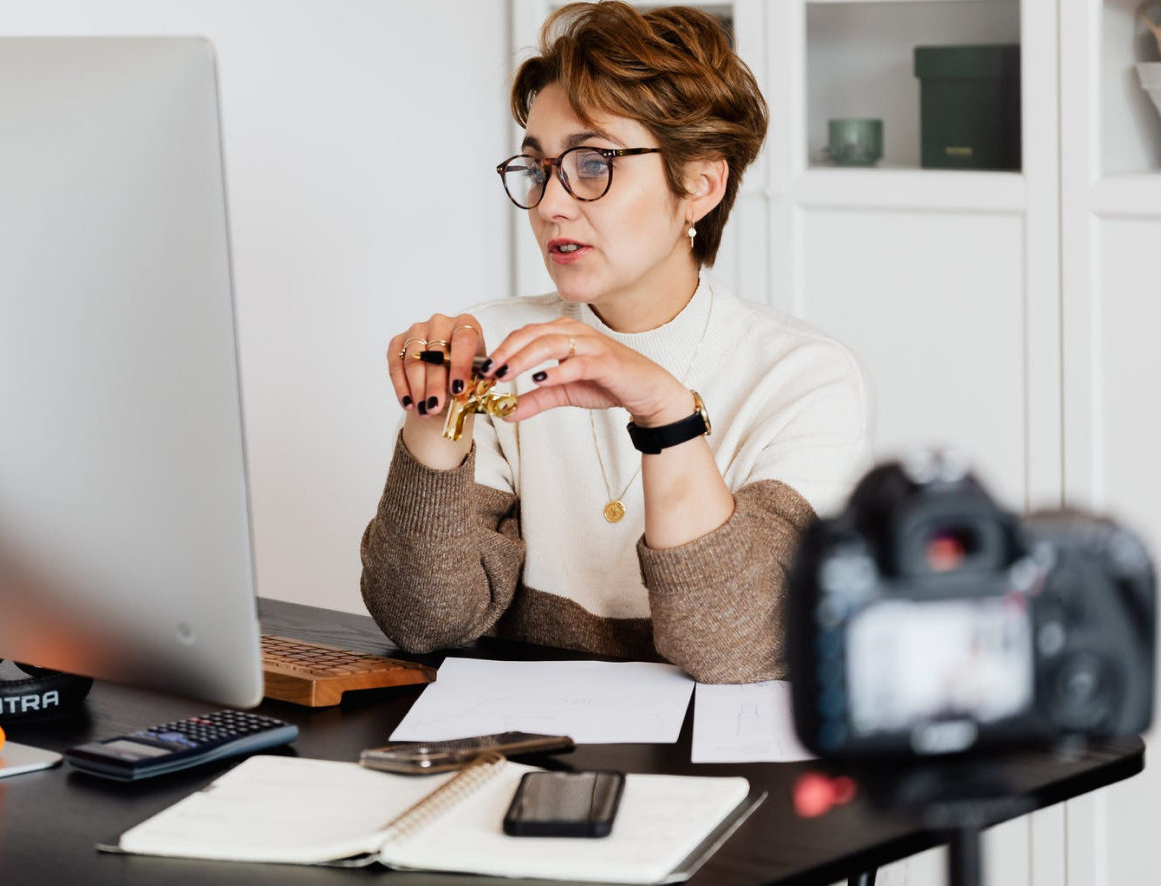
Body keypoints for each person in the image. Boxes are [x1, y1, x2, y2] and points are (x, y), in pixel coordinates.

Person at [360, 1, 873, 683]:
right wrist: (433, 424)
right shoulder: (495, 346)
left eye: (593, 163)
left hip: (718, 770)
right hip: (529, 751)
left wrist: (667, 414)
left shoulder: (803, 378)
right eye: (538, 167)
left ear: (700, 184)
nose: (550, 204)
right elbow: (423, 621)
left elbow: (737, 646)